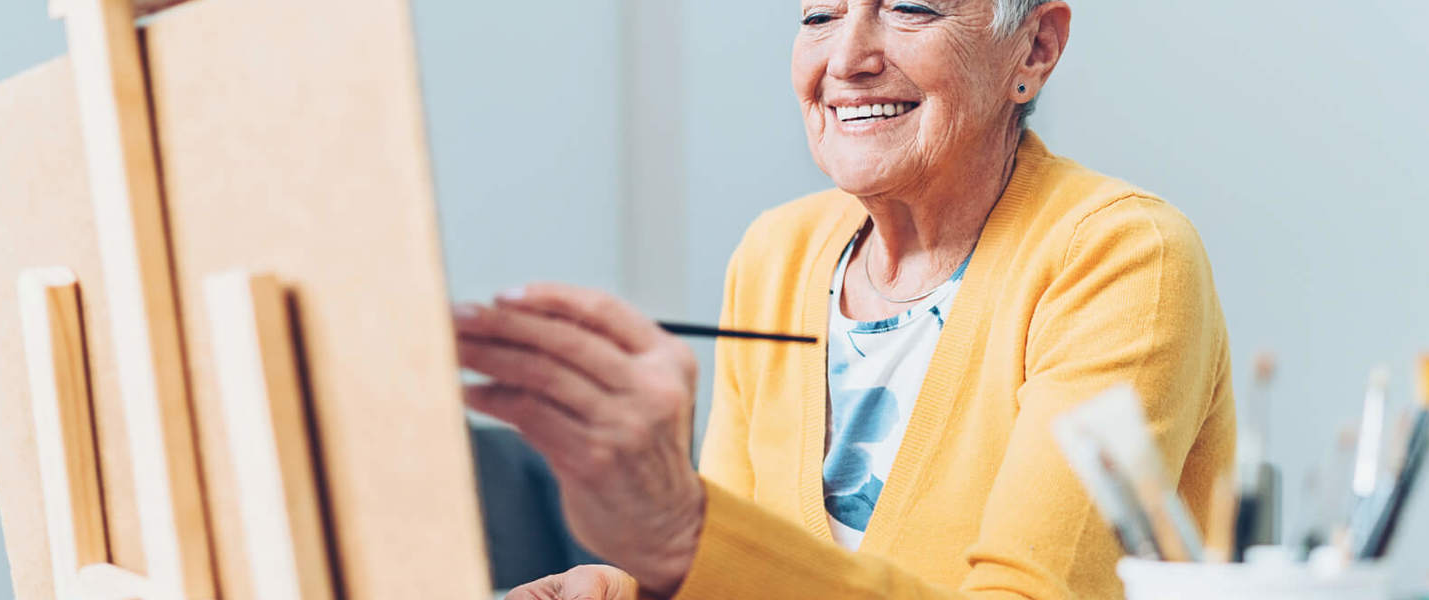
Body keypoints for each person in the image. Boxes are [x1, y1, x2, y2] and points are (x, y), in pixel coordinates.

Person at [452, 1, 1234, 597]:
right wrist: (632, 587)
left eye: (911, 8)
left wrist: (682, 536)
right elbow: (740, 572)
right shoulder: (775, 254)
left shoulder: (1119, 255)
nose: (849, 57)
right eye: (819, 13)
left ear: (1035, 47)